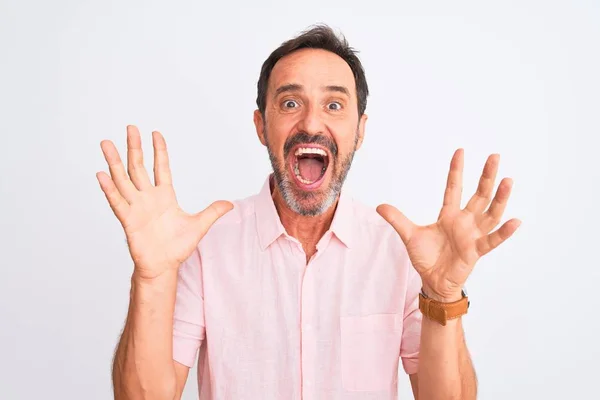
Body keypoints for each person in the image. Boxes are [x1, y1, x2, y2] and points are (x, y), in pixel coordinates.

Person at [98, 24, 520, 400]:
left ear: (360, 130)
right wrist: (152, 277)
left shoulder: (403, 254)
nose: (312, 124)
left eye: (334, 105)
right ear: (262, 125)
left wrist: (442, 295)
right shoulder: (203, 247)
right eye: (290, 103)